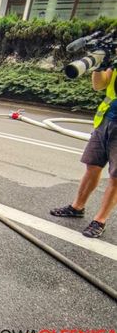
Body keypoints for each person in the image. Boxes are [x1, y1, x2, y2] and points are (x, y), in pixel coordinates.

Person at [50, 62, 117, 238]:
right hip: (105, 122)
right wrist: (100, 67)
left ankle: (100, 220)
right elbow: (99, 85)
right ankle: (77, 207)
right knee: (92, 166)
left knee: (115, 177)